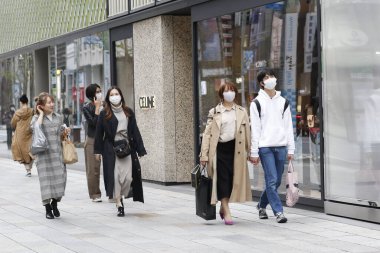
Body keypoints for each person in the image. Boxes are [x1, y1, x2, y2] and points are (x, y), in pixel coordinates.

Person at [199, 81, 252, 225]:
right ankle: (227, 209)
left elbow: (248, 133)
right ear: (221, 94)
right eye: (226, 91)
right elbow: (207, 134)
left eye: (232, 90)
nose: (230, 93)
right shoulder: (215, 112)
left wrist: (251, 152)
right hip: (219, 150)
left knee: (233, 179)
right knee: (223, 180)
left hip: (237, 150)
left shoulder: (241, 111)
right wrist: (203, 155)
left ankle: (223, 206)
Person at [249, 69, 295, 223]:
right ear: (262, 83)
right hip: (265, 147)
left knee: (276, 182)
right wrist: (254, 152)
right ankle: (279, 212)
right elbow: (255, 129)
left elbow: (289, 127)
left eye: (272, 76)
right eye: (267, 78)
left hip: (281, 146)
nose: (271, 79)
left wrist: (291, 148)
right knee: (272, 179)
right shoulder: (256, 103)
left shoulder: (284, 102)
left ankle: (261, 205)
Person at [94, 86, 147, 217]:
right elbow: (99, 133)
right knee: (116, 177)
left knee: (128, 178)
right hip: (111, 149)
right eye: (112, 94)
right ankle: (119, 202)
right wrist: (97, 151)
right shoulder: (104, 113)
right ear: (108, 97)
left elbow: (135, 130)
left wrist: (140, 149)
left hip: (127, 148)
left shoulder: (128, 112)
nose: (114, 96)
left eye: (117, 93)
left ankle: (122, 195)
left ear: (121, 96)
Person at [31, 92, 70, 219]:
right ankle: (48, 208)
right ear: (41, 105)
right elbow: (35, 129)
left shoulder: (58, 117)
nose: (52, 104)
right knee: (46, 182)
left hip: (57, 153)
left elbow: (60, 134)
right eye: (49, 102)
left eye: (52, 102)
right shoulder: (36, 118)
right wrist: (41, 114)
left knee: (61, 179)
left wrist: (65, 132)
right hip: (43, 156)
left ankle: (55, 203)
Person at [82, 83, 103, 203]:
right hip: (92, 139)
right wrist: (96, 108)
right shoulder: (86, 107)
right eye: (97, 92)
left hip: (106, 138)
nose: (99, 93)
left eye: (100, 91)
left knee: (111, 166)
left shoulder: (106, 105)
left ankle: (112, 193)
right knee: (93, 169)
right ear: (91, 95)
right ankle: (95, 194)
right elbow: (93, 124)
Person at [11, 94, 34, 176]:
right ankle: (30, 167)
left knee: (21, 151)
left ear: (21, 102)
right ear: (27, 101)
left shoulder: (18, 112)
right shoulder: (32, 111)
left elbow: (13, 123)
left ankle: (28, 170)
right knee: (29, 150)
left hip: (20, 133)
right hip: (29, 132)